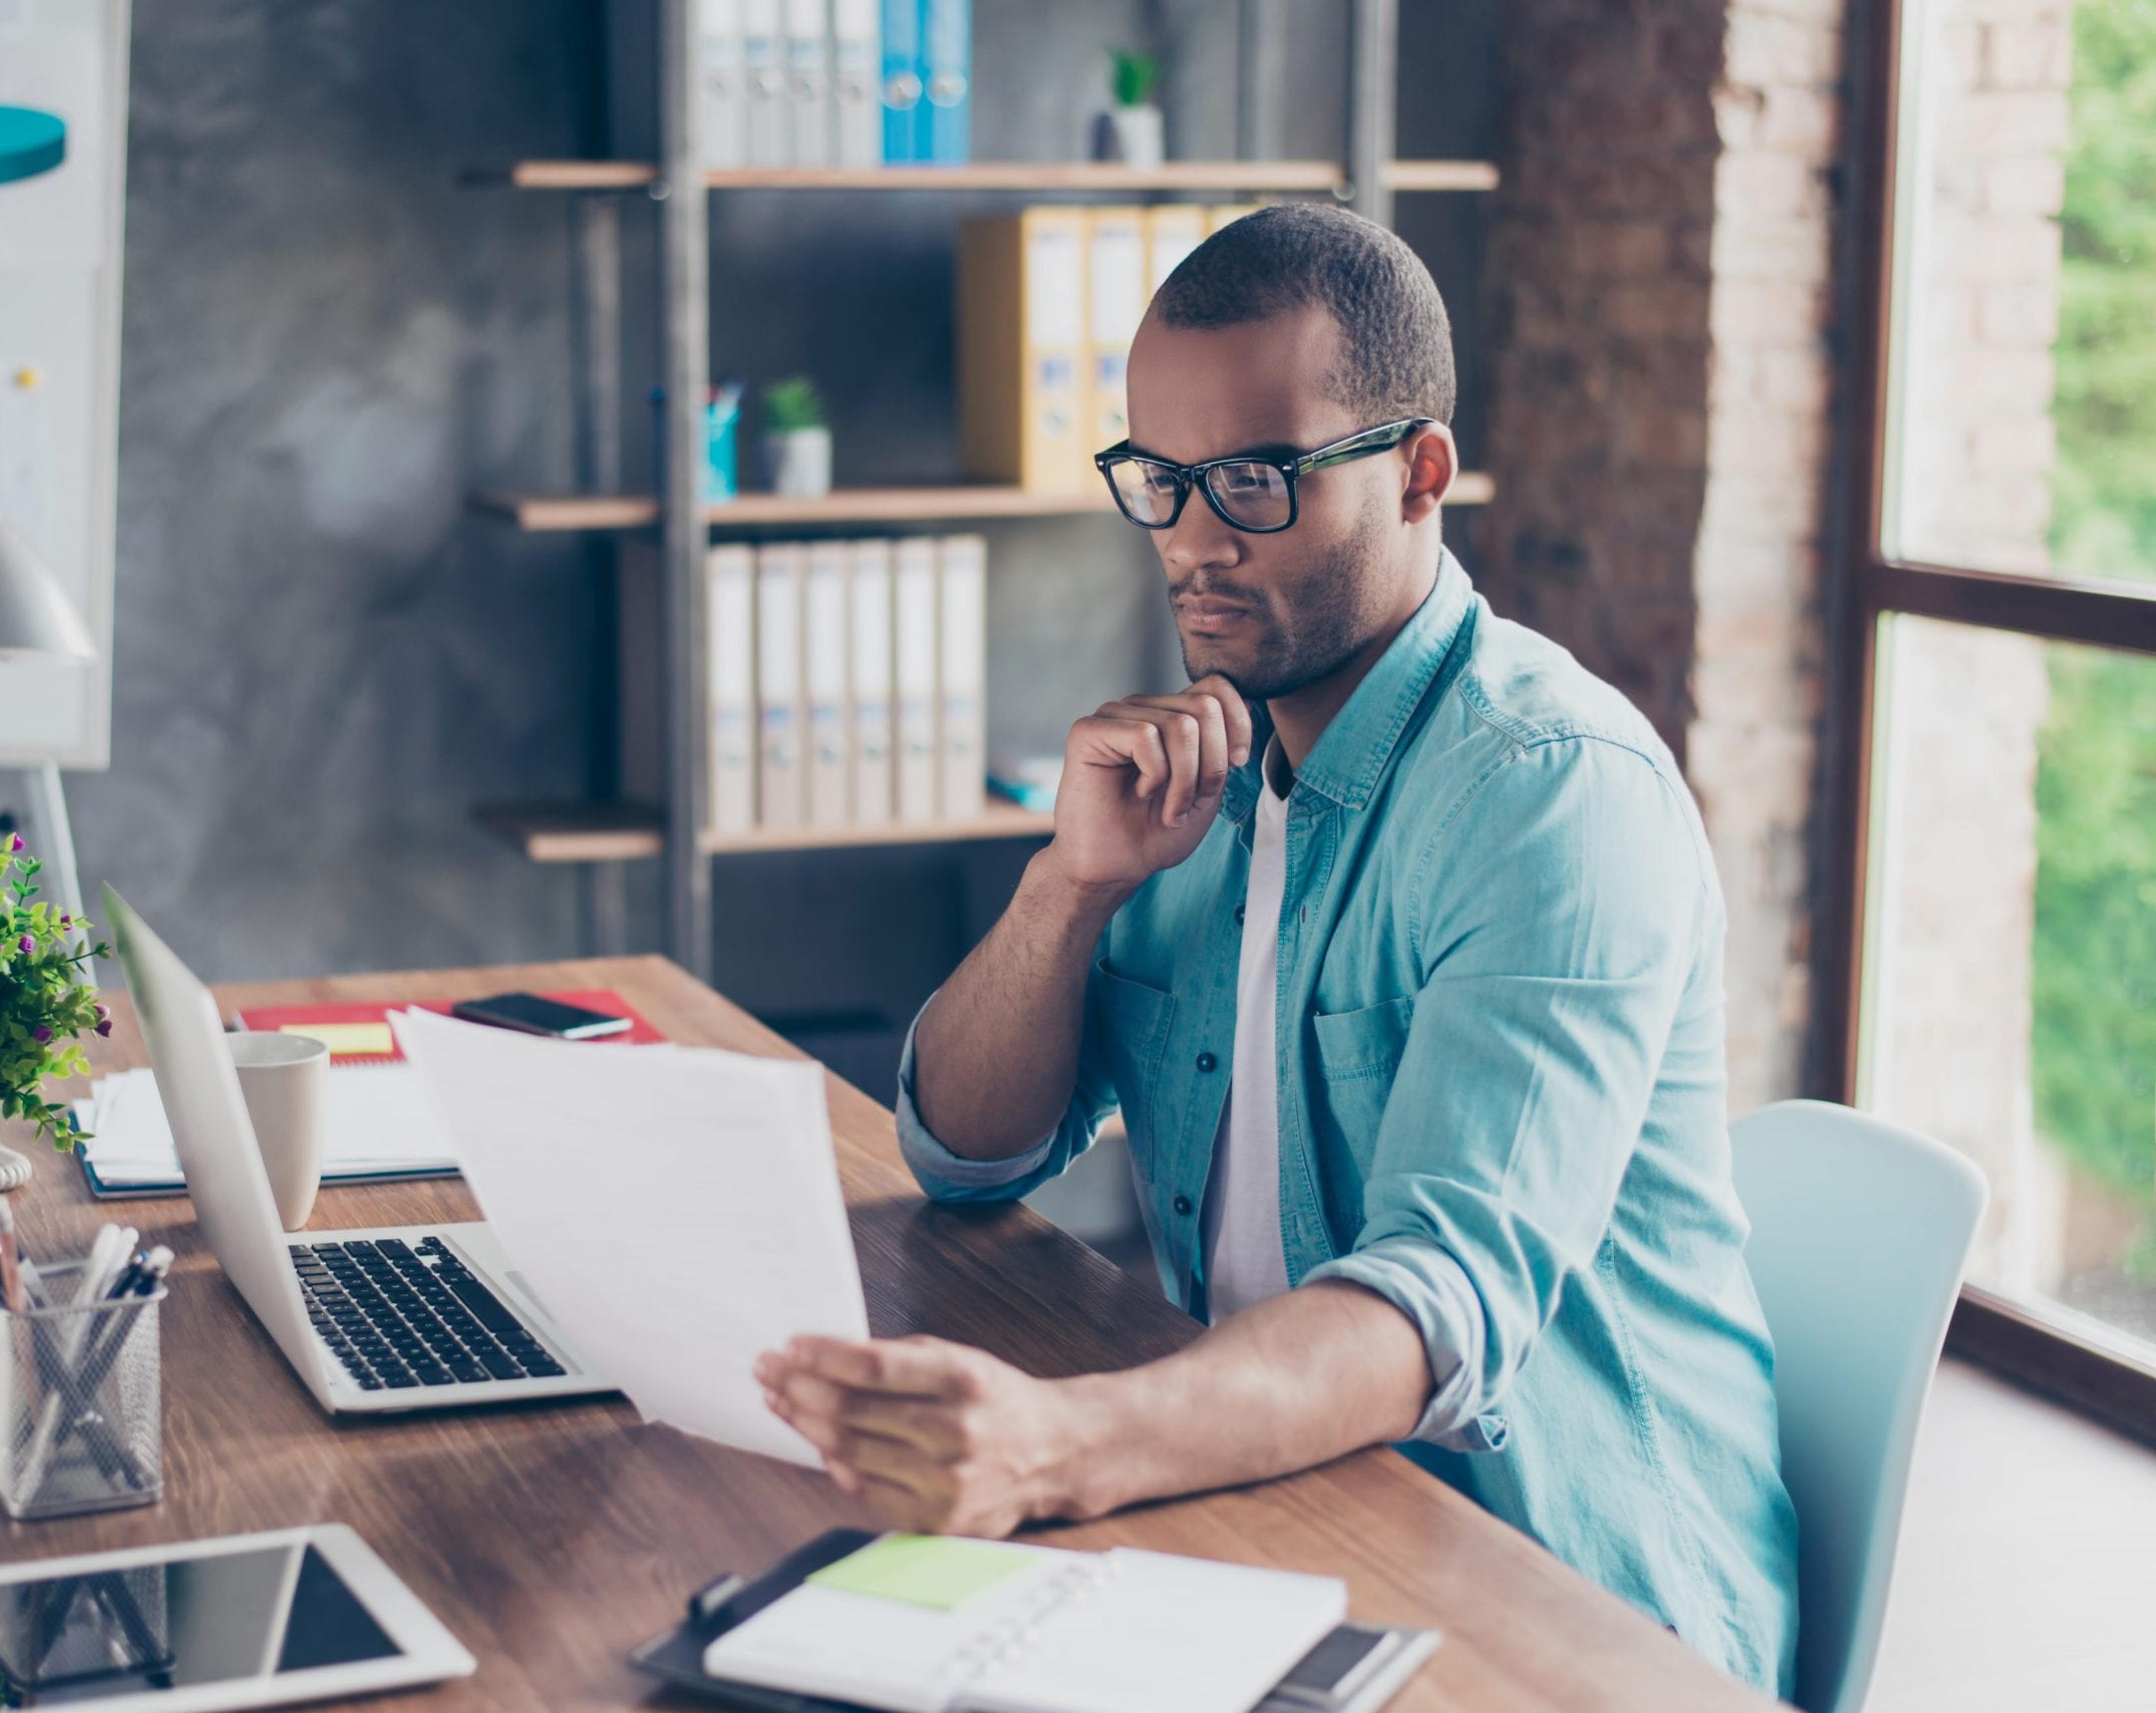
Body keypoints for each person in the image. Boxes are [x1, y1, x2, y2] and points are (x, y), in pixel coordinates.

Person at [753, 202, 1798, 1694]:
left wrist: (1063, 1443)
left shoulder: (1551, 795)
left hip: (1574, 1603)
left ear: (1421, 470)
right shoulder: (1207, 769)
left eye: (1252, 478)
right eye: (1159, 481)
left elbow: (1439, 1306)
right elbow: (969, 1155)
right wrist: (1070, 886)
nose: (1192, 540)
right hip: (1273, 1507)